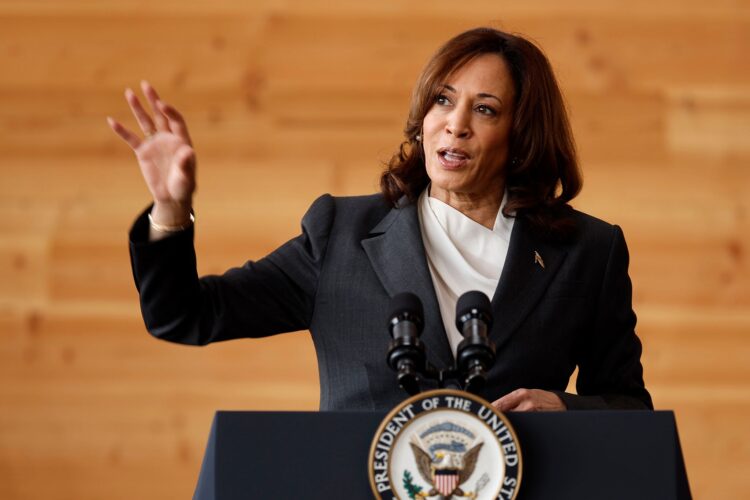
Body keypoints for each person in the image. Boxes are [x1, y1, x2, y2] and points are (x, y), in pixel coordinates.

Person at [109, 27, 652, 412]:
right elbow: (184, 316)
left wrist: (565, 411)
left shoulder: (588, 251)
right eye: (443, 100)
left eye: (484, 109)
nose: (454, 125)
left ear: (522, 135)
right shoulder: (339, 236)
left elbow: (629, 407)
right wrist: (171, 212)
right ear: (422, 120)